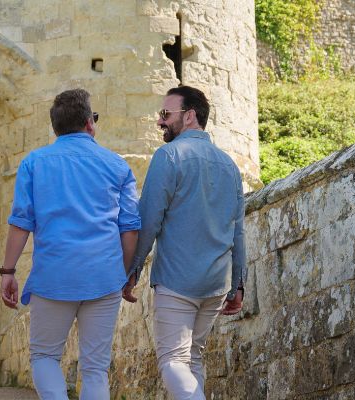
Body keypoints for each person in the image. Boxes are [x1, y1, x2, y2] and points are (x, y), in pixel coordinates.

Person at [0, 89, 141, 400]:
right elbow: (130, 228)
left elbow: (21, 221)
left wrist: (8, 271)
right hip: (104, 277)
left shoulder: (34, 163)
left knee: (45, 357)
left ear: (55, 127)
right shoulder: (117, 166)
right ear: (90, 123)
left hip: (54, 277)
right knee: (95, 368)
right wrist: (126, 273)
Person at [124, 85, 246, 400]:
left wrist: (131, 271)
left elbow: (148, 220)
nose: (160, 122)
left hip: (178, 281)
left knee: (172, 361)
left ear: (189, 115)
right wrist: (239, 284)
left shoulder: (169, 155)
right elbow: (238, 230)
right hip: (216, 284)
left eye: (166, 114)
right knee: (193, 358)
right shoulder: (229, 165)